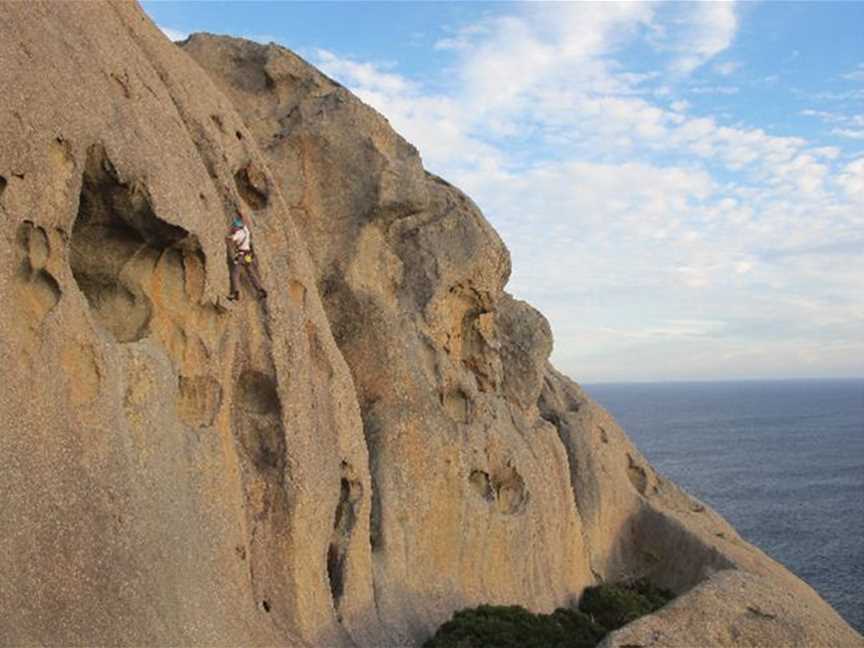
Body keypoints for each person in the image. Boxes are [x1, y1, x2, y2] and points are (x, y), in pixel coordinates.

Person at [226, 215, 267, 301]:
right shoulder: (246, 231)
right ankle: (260, 290)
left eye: (234, 227)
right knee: (251, 272)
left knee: (235, 272)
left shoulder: (238, 233)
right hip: (248, 255)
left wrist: (227, 237)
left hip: (241, 256)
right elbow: (244, 225)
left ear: (237, 227)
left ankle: (235, 292)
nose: (233, 228)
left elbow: (232, 239)